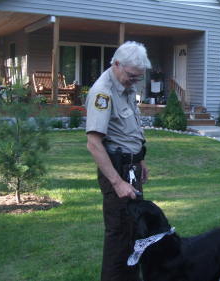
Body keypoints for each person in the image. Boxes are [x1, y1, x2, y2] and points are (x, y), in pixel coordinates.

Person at [86, 41, 152, 281]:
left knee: (135, 231)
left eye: (138, 77)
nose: (134, 81)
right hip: (117, 171)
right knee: (119, 235)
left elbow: (128, 129)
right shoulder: (102, 93)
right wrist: (117, 182)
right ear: (116, 64)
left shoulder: (124, 87)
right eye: (132, 76)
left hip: (131, 167)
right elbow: (94, 144)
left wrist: (140, 159)